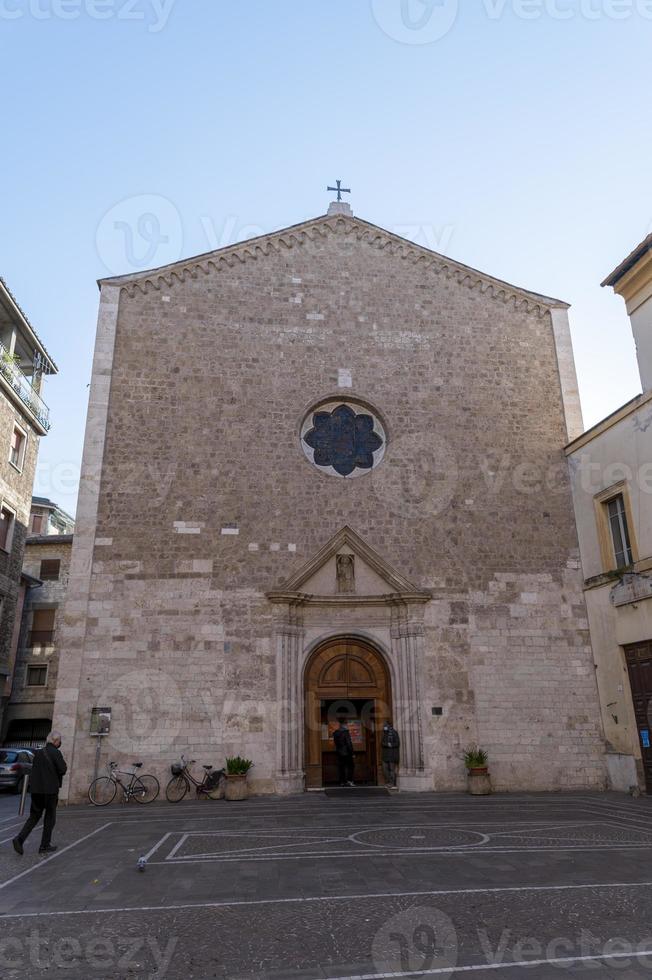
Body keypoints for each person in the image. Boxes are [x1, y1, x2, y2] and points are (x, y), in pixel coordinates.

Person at [13, 730, 67, 856]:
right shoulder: (56, 752)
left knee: (34, 816)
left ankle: (19, 839)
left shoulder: (38, 752)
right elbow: (62, 769)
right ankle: (44, 845)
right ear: (55, 741)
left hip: (37, 790)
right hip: (50, 791)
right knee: (50, 817)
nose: (60, 743)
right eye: (59, 741)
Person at [333, 717, 355, 787]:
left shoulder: (336, 733)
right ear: (344, 724)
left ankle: (342, 782)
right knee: (351, 766)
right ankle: (349, 781)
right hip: (347, 753)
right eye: (347, 724)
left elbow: (336, 743)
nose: (347, 725)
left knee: (341, 767)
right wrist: (352, 753)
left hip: (339, 752)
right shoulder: (346, 732)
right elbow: (349, 743)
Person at [381, 720, 400, 788]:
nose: (384, 726)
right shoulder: (384, 733)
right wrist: (387, 744)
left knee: (391, 769)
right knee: (385, 769)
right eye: (384, 725)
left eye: (385, 725)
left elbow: (397, 743)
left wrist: (390, 744)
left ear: (389, 725)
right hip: (385, 755)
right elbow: (382, 743)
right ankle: (388, 782)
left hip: (392, 754)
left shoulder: (394, 733)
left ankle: (393, 783)